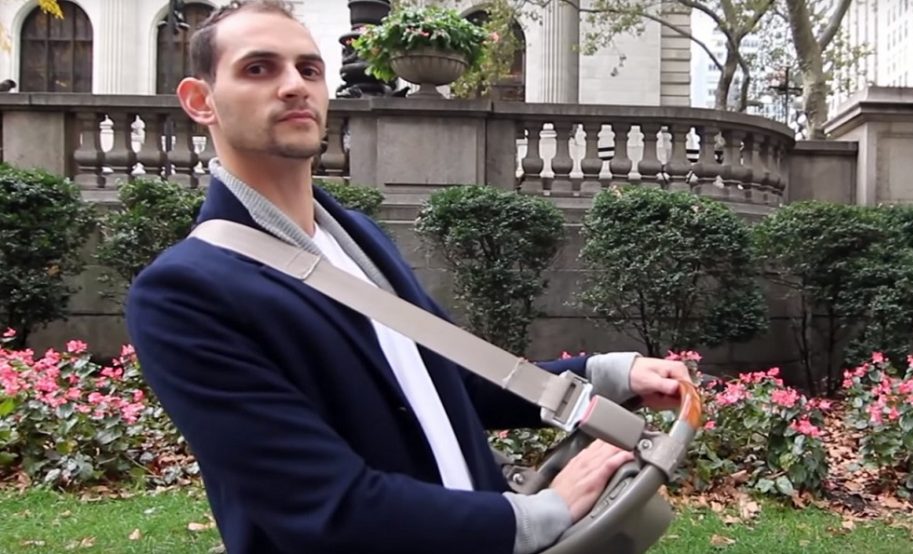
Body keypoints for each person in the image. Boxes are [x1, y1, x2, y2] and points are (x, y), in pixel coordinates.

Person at [124, 1, 692, 553]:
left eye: (309, 68)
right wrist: (545, 513)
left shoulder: (358, 235)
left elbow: (449, 380)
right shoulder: (184, 293)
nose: (294, 84)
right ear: (202, 101)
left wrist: (608, 374)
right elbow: (328, 509)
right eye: (258, 68)